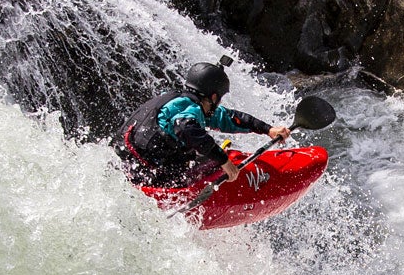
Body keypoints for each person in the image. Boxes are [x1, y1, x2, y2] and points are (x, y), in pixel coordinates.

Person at [114, 61, 291, 189]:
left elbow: (232, 118)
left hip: (122, 161)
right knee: (204, 158)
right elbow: (186, 127)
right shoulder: (192, 109)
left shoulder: (177, 100)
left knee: (194, 152)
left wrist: (268, 129)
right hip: (147, 174)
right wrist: (223, 160)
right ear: (214, 97)